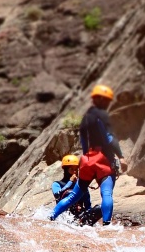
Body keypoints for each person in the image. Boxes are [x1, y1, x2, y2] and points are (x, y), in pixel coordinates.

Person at [52, 82, 123, 226]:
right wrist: (121, 156)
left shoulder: (86, 118)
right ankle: (107, 225)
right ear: (103, 100)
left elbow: (84, 142)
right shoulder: (102, 115)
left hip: (88, 158)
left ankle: (51, 216)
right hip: (103, 158)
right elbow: (109, 139)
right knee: (107, 193)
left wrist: (86, 158)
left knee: (73, 196)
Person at [51, 154, 101, 225]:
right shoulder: (56, 184)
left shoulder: (81, 185)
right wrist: (70, 182)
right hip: (64, 215)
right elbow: (58, 195)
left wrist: (89, 213)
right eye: (72, 169)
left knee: (99, 209)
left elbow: (87, 203)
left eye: (76, 169)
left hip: (79, 216)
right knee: (69, 192)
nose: (75, 172)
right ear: (65, 170)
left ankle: (85, 223)